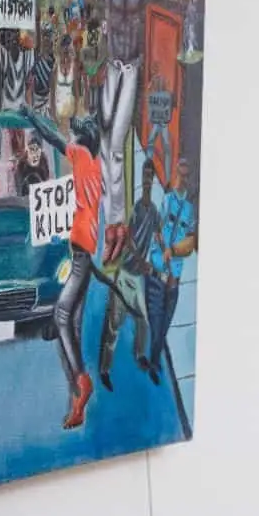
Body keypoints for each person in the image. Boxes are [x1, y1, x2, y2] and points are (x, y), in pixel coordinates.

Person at [21, 103, 106, 425]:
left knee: (61, 316)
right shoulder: (94, 164)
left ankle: (82, 386)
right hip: (82, 248)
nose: (71, 137)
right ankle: (78, 401)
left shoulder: (82, 156)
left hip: (82, 253)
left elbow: (54, 139)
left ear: (83, 139)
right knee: (75, 324)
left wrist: (31, 117)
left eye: (76, 133)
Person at [100, 163, 158, 384]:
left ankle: (139, 354)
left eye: (150, 176)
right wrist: (143, 261)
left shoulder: (153, 211)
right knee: (114, 325)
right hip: (125, 275)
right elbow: (129, 240)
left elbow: (159, 233)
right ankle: (105, 369)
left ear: (152, 181)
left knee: (143, 320)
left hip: (137, 278)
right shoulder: (135, 210)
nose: (147, 179)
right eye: (145, 175)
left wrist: (164, 253)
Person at [145, 156, 197, 381]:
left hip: (173, 283)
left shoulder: (189, 210)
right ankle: (154, 364)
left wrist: (174, 250)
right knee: (156, 327)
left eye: (185, 174)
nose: (181, 178)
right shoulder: (165, 201)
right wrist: (162, 247)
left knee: (164, 328)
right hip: (156, 278)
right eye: (179, 172)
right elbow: (155, 229)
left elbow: (191, 243)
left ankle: (154, 360)